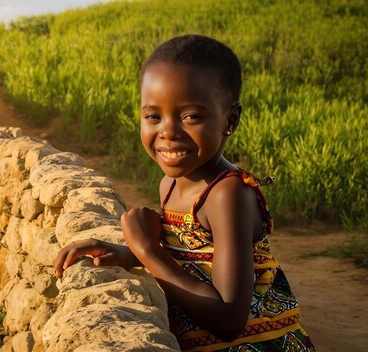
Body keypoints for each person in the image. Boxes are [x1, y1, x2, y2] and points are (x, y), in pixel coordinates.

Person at [54, 34, 315, 351]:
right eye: (153, 116)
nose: (168, 131)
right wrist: (127, 254)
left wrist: (149, 252)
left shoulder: (227, 195)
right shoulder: (171, 183)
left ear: (230, 120)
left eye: (190, 116)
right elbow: (189, 260)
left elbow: (229, 319)